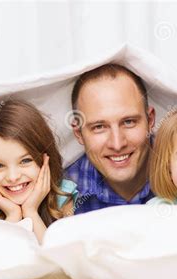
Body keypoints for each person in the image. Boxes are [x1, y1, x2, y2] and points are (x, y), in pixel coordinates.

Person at [0, 100, 78, 243]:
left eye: (25, 161)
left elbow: (58, 260)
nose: (13, 177)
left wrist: (31, 212)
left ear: (45, 159)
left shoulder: (62, 194)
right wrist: (13, 215)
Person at [66, 63, 155, 214]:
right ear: (78, 133)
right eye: (99, 127)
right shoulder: (62, 194)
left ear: (150, 120)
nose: (117, 144)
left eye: (129, 122)